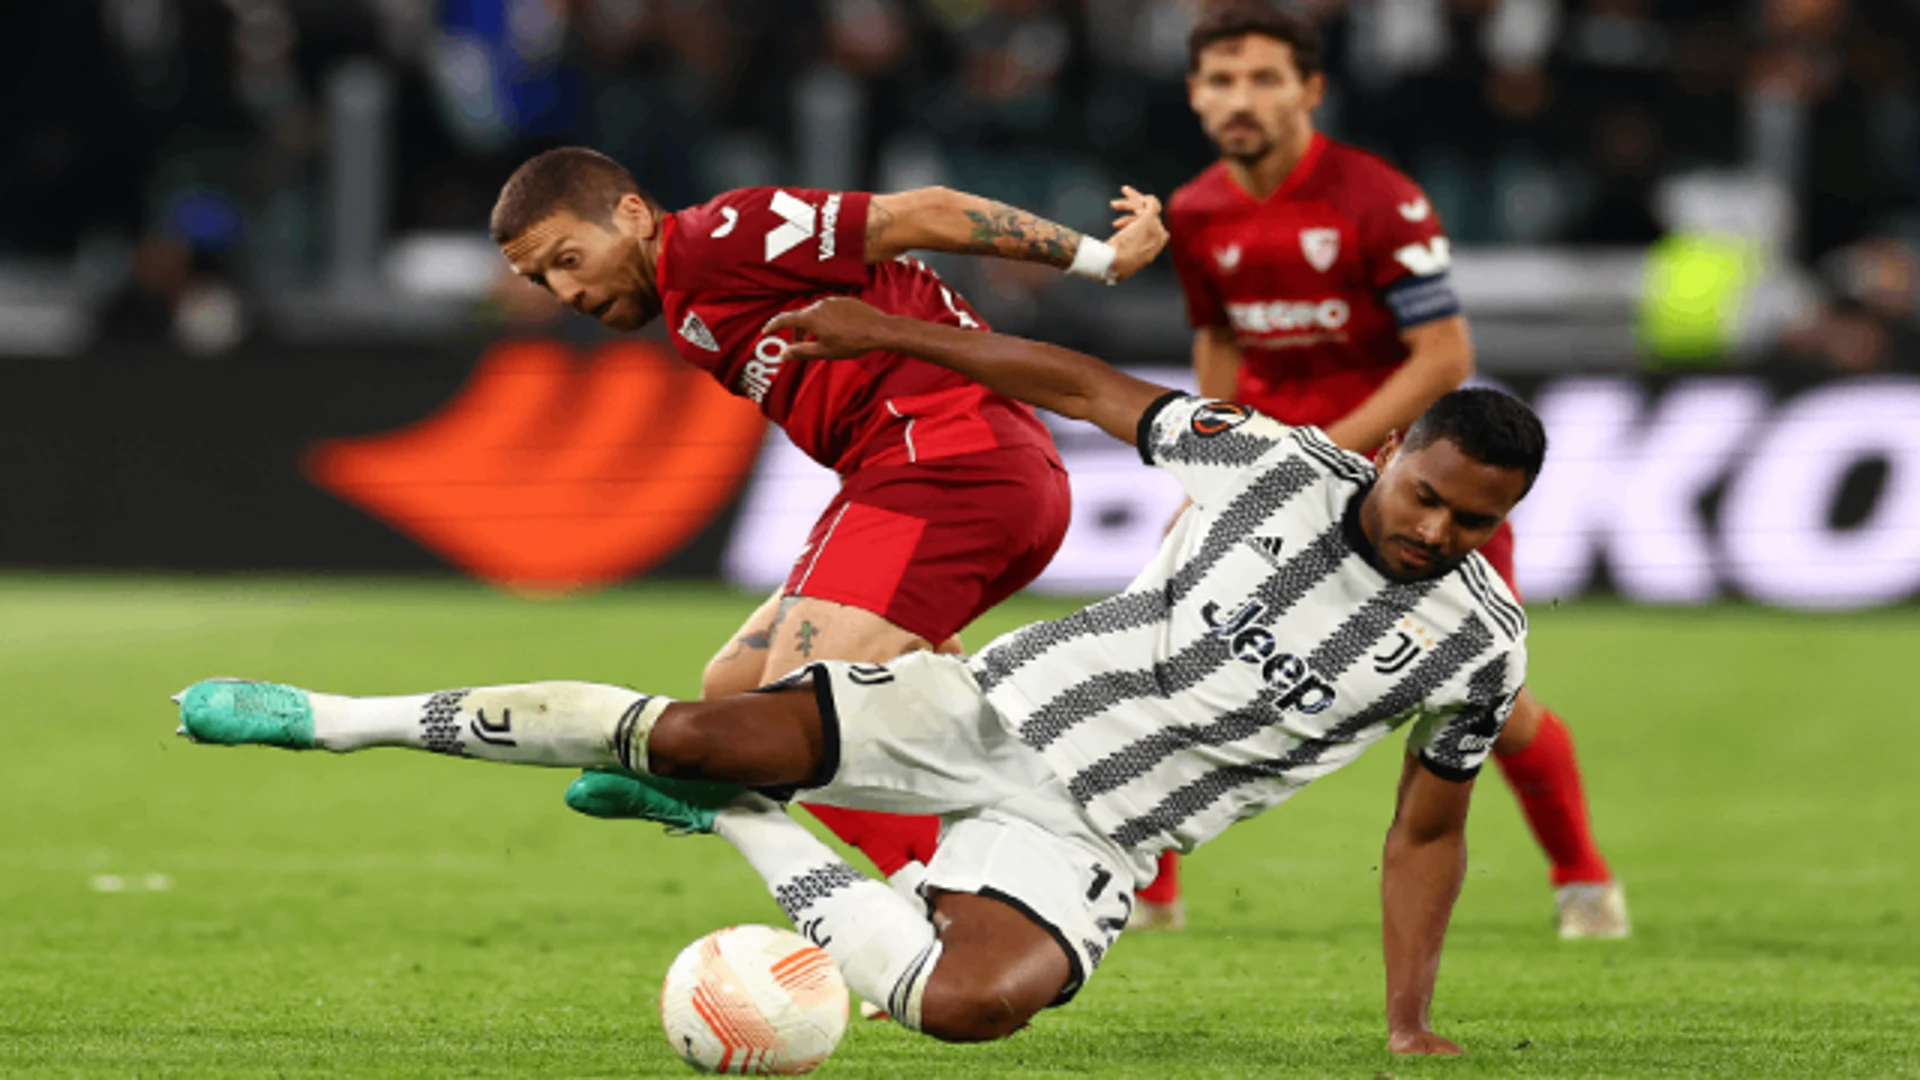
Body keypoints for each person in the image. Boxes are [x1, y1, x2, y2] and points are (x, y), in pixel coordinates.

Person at [175, 295, 1546, 1056]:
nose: (1436, 531)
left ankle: (739, 823)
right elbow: (1083, 386)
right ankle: (332, 721)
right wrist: (913, 341)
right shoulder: (1276, 464)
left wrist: (1409, 1024)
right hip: (988, 710)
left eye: (1471, 521)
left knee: (968, 1010)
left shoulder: (1479, 647)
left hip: (1099, 838)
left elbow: (1426, 833)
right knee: (697, 728)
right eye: (1425, 494)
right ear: (1392, 456)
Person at [488, 147, 1169, 899]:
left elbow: (927, 211)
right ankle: (1104, 818)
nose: (566, 291)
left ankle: (946, 907)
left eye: (569, 260)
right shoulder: (687, 304)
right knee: (734, 688)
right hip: (937, 476)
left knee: (792, 715)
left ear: (632, 214)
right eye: (541, 279)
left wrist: (1102, 259)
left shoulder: (722, 236)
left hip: (948, 463)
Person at [1150, 0, 1625, 937]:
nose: (1241, 98)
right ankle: (1150, 894)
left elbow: (1444, 357)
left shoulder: (1378, 200)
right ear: (1196, 95)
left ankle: (1582, 875)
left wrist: (1330, 455)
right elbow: (1219, 337)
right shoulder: (1197, 211)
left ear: (1310, 90)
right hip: (1278, 482)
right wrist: (1211, 467)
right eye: (1221, 80)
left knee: (1489, 703)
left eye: (1264, 78)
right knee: (1177, 660)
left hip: (1406, 486)